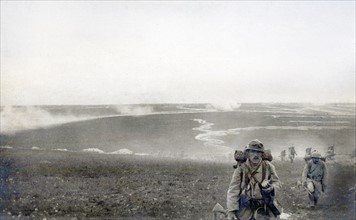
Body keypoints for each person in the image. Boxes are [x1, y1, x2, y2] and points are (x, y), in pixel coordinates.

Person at [227, 140, 281, 220]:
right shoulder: (241, 169)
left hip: (264, 208)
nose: (256, 155)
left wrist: (272, 187)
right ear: (247, 153)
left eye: (258, 152)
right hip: (245, 209)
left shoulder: (268, 167)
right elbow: (233, 190)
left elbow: (277, 182)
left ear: (262, 154)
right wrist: (231, 210)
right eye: (253, 152)